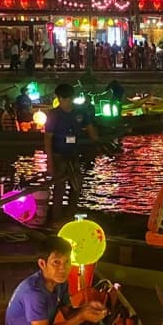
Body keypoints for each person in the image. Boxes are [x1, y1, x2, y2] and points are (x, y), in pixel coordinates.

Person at [4, 236, 153, 325]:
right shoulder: (33, 293)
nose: (63, 268)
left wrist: (85, 309)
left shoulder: (60, 282)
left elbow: (69, 314)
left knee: (90, 322)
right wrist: (81, 316)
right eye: (56, 263)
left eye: (67, 262)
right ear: (42, 264)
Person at [45, 83, 99, 221]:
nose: (67, 102)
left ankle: (69, 217)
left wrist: (94, 137)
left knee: (76, 188)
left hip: (73, 155)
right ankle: (56, 219)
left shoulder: (79, 113)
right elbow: (48, 139)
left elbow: (92, 133)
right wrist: (50, 163)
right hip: (59, 156)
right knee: (59, 189)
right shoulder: (55, 115)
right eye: (66, 99)